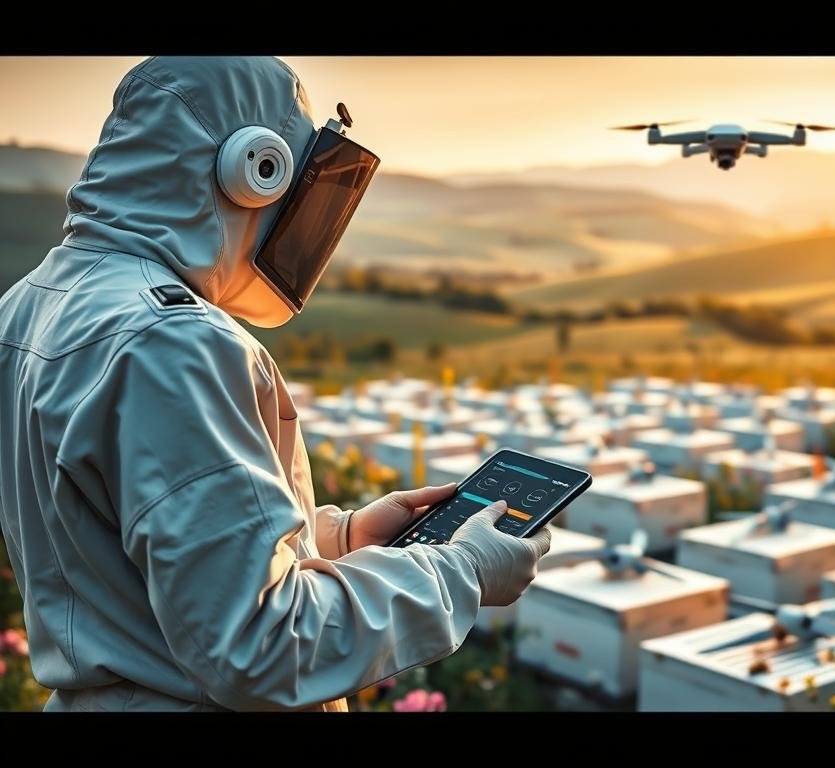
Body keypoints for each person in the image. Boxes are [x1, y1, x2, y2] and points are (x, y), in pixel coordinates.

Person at [0, 56, 551, 712]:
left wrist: (341, 540)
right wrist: (461, 571)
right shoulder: (170, 343)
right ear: (254, 171)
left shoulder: (28, 306)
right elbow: (264, 647)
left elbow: (142, 564)